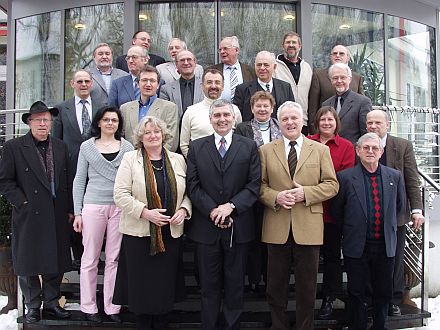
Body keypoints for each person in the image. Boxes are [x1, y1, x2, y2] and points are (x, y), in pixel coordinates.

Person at [259, 101, 339, 330]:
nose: (290, 123)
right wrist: (276, 197)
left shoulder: (320, 150)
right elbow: (259, 186)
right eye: (285, 119)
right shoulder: (266, 150)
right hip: (277, 226)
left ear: (303, 120)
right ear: (279, 122)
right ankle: (279, 326)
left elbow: (332, 185)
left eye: (294, 118)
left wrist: (306, 193)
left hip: (309, 227)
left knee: (307, 286)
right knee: (276, 286)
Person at [186, 99, 261, 330]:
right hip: (205, 229)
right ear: (210, 119)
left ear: (234, 118)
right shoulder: (197, 147)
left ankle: (232, 326)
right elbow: (193, 185)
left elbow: (254, 184)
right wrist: (213, 210)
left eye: (226, 115)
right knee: (208, 286)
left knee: (235, 283)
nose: (222, 119)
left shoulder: (248, 146)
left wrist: (231, 206)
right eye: (217, 115)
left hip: (238, 227)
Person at [113, 116, 191, 329]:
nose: (153, 135)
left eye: (156, 132)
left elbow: (188, 193)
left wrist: (184, 210)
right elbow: (120, 194)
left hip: (170, 233)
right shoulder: (131, 159)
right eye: (147, 132)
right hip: (139, 234)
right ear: (141, 137)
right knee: (141, 287)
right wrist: (145, 213)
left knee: (164, 286)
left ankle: (162, 322)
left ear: (164, 135)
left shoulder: (177, 160)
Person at [0, 101, 72, 323]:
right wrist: (22, 203)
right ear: (29, 123)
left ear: (51, 123)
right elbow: (5, 180)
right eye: (38, 120)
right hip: (29, 213)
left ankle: (51, 302)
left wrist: (69, 209)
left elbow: (67, 181)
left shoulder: (60, 146)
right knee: (29, 261)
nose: (43, 124)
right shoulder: (14, 147)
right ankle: (32, 305)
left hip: (56, 212)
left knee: (55, 260)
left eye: (46, 120)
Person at [331, 132, 406, 330]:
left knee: (383, 292)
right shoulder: (345, 178)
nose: (370, 151)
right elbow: (337, 211)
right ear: (358, 151)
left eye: (374, 148)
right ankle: (359, 325)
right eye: (366, 148)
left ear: (381, 152)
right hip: (357, 245)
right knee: (357, 292)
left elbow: (399, 206)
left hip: (384, 245)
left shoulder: (394, 177)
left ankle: (379, 326)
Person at [72, 106, 134, 323]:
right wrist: (78, 212)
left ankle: (112, 306)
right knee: (89, 258)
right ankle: (88, 306)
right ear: (98, 122)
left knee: (114, 258)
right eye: (106, 120)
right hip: (93, 206)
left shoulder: (127, 147)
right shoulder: (87, 147)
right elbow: (79, 179)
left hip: (119, 207)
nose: (110, 123)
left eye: (114, 120)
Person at [366, 109, 424, 316]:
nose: (373, 126)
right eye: (370, 122)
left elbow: (412, 179)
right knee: (370, 259)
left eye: (377, 123)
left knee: (395, 259)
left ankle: (393, 300)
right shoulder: (362, 145)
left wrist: (416, 209)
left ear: (387, 125)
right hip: (369, 215)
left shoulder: (401, 146)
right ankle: (373, 299)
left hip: (395, 214)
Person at [52, 69, 106, 268]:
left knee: (95, 209)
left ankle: (98, 253)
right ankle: (79, 253)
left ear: (91, 84)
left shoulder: (102, 107)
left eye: (87, 81)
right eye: (80, 81)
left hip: (97, 167)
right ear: (72, 84)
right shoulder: (61, 109)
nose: (84, 84)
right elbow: (56, 141)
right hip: (71, 167)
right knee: (75, 210)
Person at [307, 106, 356, 319]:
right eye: (323, 119)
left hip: (332, 211)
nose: (327, 123)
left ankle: (328, 298)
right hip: (307, 209)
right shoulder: (307, 141)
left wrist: (318, 185)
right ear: (317, 122)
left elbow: (343, 179)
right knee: (306, 257)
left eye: (330, 120)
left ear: (337, 123)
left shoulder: (346, 146)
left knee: (332, 257)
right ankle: (306, 298)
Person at [235, 91, 282, 292]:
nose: (262, 109)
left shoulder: (281, 127)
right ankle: (254, 278)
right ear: (252, 108)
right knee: (253, 236)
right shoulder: (242, 128)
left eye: (266, 106)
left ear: (272, 108)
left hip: (275, 189)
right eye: (258, 106)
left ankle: (269, 277)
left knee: (271, 237)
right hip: (250, 187)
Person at [180, 68, 242, 158]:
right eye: (209, 82)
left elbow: (240, 141)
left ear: (223, 86)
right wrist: (197, 163)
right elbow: (184, 145)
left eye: (217, 82)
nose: (213, 86)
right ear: (202, 86)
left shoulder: (234, 110)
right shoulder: (190, 112)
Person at [120, 65, 179, 151]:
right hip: (131, 159)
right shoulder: (125, 108)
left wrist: (156, 158)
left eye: (152, 81)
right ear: (137, 84)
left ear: (158, 85)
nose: (148, 84)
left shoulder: (169, 107)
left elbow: (171, 140)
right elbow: (121, 138)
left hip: (159, 160)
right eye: (144, 80)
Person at [308, 44, 365, 133]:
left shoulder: (357, 78)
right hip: (327, 132)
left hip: (351, 135)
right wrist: (315, 133)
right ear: (331, 57)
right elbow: (313, 108)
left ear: (348, 57)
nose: (337, 56)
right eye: (334, 53)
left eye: (341, 53)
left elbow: (362, 104)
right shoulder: (319, 76)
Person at [233, 51, 295, 122]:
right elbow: (237, 118)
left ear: (274, 67)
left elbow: (292, 112)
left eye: (266, 65)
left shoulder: (286, 87)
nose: (262, 68)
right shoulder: (242, 89)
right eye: (259, 65)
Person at [322, 63, 372, 144]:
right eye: (335, 78)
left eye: (343, 77)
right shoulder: (326, 104)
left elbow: (365, 133)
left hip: (353, 152)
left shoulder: (363, 102)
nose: (339, 81)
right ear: (331, 80)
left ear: (350, 79)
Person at [273, 32, 312, 134]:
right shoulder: (274, 67)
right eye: (288, 42)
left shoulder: (307, 68)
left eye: (294, 42)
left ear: (300, 46)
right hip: (282, 122)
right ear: (283, 46)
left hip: (303, 122)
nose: (291, 45)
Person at [209, 36, 256, 102]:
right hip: (219, 110)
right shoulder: (212, 71)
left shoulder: (251, 71)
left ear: (237, 50)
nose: (222, 52)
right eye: (220, 50)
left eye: (225, 48)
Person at [159, 50, 204, 118]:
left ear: (195, 63)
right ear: (176, 65)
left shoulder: (206, 87)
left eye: (189, 59)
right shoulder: (166, 90)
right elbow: (165, 115)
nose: (186, 63)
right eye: (182, 60)